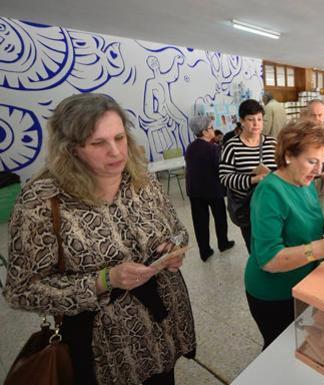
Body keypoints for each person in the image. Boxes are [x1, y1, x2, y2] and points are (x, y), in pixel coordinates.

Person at [3, 93, 196, 385]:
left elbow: (177, 229)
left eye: (120, 138)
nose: (116, 152)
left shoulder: (142, 181)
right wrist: (104, 280)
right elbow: (21, 290)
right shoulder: (43, 201)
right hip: (106, 350)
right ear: (71, 149)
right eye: (98, 143)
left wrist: (172, 249)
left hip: (163, 328)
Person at [245, 120, 324, 350]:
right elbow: (269, 259)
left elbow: (304, 222)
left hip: (303, 282)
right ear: (288, 156)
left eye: (322, 162)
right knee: (280, 349)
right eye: (311, 161)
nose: (319, 170)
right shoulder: (269, 191)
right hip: (274, 293)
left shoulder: (304, 181)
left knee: (303, 345)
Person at [220, 99, 277, 252]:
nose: (256, 124)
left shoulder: (272, 143)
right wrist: (253, 179)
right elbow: (225, 177)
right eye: (251, 120)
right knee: (255, 249)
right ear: (241, 121)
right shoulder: (232, 146)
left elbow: (282, 169)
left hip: (272, 205)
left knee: (274, 244)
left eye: (259, 119)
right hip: (248, 208)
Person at [186, 116, 235, 261]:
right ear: (205, 131)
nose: (213, 130)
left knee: (200, 222)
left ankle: (205, 251)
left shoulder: (190, 147)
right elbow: (219, 169)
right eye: (211, 128)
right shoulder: (213, 148)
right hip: (213, 190)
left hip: (194, 191)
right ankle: (223, 243)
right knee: (220, 218)